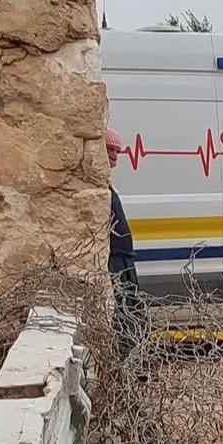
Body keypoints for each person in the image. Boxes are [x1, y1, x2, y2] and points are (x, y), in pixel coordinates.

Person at [104, 125, 145, 355]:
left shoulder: (107, 185)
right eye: (109, 150)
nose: (114, 157)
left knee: (131, 313)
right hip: (116, 262)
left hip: (124, 260)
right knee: (123, 316)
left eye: (118, 151)